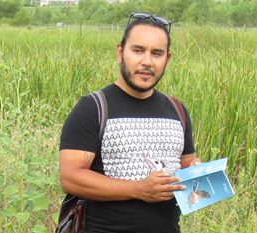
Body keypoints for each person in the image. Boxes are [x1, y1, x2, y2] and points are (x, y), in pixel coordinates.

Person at [59, 12, 201, 233]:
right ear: (120, 52)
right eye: (138, 50)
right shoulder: (93, 108)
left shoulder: (178, 110)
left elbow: (185, 167)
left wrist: (196, 171)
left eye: (157, 53)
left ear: (167, 59)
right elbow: (71, 178)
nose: (147, 61)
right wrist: (139, 189)